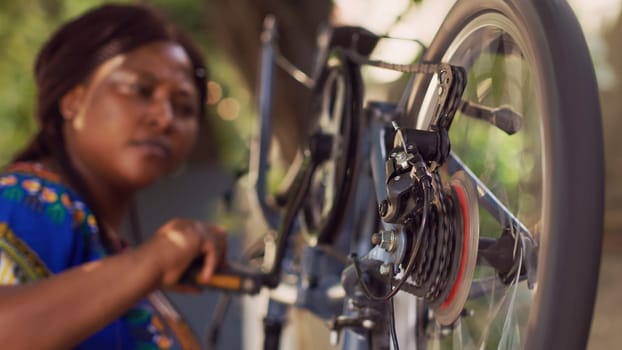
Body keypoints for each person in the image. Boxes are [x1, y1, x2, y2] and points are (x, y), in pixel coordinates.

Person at [0, 3, 226, 349]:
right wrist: (153, 260)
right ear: (73, 101)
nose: (164, 118)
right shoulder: (28, 199)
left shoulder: (113, 253)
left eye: (184, 107)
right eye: (140, 89)